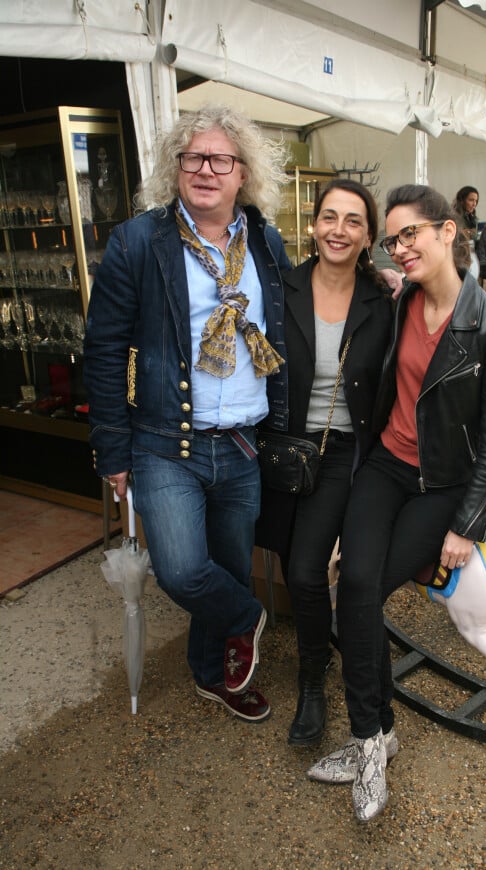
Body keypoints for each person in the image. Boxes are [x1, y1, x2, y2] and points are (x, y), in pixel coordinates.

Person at [308, 184, 486, 822]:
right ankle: (374, 736)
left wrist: (466, 526)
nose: (401, 248)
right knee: (355, 586)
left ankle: (372, 738)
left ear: (448, 232)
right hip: (383, 467)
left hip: (443, 487)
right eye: (394, 238)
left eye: (412, 236)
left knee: (366, 594)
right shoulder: (400, 299)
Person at [83, 105, 291, 723]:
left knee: (229, 563)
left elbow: (299, 306)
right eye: (192, 157)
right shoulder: (138, 241)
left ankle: (212, 675)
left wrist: (378, 280)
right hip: (161, 441)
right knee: (180, 570)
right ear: (175, 167)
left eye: (220, 159)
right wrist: (111, 449)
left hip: (243, 441)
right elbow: (102, 350)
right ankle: (246, 617)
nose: (205, 169)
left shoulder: (265, 240)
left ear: (242, 173)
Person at [256, 179, 394, 748]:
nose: (339, 230)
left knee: (309, 570)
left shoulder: (383, 301)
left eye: (353, 221)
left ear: (368, 235)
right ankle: (315, 656)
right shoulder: (277, 288)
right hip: (280, 446)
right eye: (329, 218)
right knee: (294, 564)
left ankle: (312, 677)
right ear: (312, 226)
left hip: (337, 453)